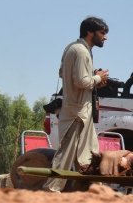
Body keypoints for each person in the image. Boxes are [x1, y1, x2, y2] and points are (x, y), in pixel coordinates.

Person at [44, 17, 109, 192]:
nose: (105, 37)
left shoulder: (73, 48)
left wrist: (93, 77)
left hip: (79, 111)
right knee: (65, 154)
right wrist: (98, 78)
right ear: (90, 32)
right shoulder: (81, 51)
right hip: (77, 113)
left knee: (90, 154)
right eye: (102, 33)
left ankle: (91, 190)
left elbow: (62, 73)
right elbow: (81, 81)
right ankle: (51, 190)